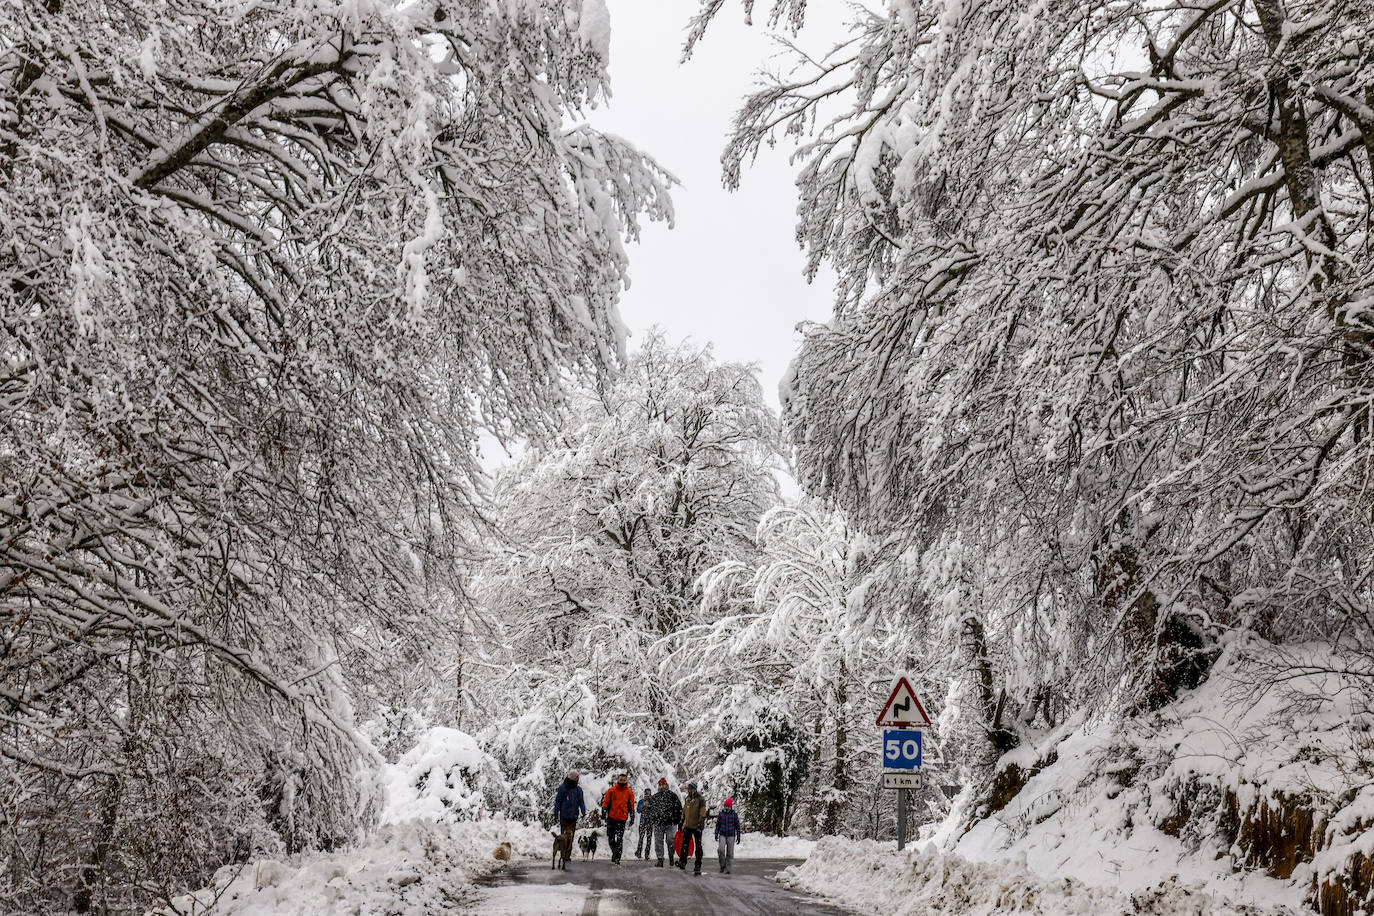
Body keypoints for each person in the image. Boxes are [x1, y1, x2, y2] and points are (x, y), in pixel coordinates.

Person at [600, 772, 636, 865]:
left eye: (624, 780)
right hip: (611, 818)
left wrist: (632, 816)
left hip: (622, 819)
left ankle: (617, 858)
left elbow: (631, 805)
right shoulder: (611, 790)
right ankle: (614, 852)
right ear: (618, 780)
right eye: (620, 780)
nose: (622, 781)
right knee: (611, 839)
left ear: (626, 781)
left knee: (619, 839)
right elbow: (606, 802)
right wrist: (603, 812)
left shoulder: (629, 792)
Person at [648, 777, 681, 867]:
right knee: (658, 842)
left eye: (664, 784)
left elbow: (679, 809)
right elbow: (650, 810)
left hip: (671, 823)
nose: (662, 786)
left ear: (667, 785)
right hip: (658, 823)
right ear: (659, 786)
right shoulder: (655, 797)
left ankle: (671, 856)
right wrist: (653, 819)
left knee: (671, 840)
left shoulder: (673, 796)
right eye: (660, 785)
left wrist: (678, 820)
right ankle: (660, 859)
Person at [678, 781, 707, 876]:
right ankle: (682, 862)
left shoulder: (700, 799)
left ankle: (698, 864)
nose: (688, 791)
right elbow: (684, 811)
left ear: (694, 789)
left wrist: (700, 824)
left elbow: (702, 812)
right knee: (684, 845)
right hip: (687, 826)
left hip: (697, 826)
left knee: (698, 846)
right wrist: (681, 822)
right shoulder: (687, 799)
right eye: (688, 789)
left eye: (689, 789)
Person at [553, 771, 585, 839]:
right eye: (577, 777)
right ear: (573, 778)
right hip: (564, 817)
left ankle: (568, 849)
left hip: (573, 817)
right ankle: (563, 849)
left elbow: (581, 801)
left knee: (570, 837)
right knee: (564, 837)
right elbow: (558, 801)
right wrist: (555, 813)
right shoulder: (563, 788)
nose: (578, 778)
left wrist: (583, 811)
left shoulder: (578, 789)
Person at [714, 797, 742, 874]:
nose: (726, 807)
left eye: (728, 806)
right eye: (725, 806)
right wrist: (716, 834)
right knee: (721, 850)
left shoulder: (734, 815)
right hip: (722, 834)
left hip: (731, 835)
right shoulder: (721, 814)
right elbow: (717, 825)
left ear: (731, 806)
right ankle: (722, 865)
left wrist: (738, 836)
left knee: (730, 853)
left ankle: (728, 868)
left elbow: (738, 826)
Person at [634, 785, 653, 859]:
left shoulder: (653, 801)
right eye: (645, 794)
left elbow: (655, 811)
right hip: (642, 822)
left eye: (648, 794)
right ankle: (638, 853)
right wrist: (643, 806)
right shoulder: (641, 801)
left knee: (649, 839)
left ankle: (647, 855)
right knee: (641, 838)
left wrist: (650, 805)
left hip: (650, 823)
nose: (646, 796)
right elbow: (638, 810)